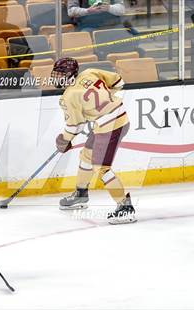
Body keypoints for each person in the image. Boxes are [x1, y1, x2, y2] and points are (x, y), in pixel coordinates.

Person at [51, 57, 136, 225]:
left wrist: (63, 141)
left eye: (61, 74)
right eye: (56, 74)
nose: (57, 78)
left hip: (109, 127)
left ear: (70, 74)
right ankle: (81, 194)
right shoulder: (90, 72)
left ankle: (125, 208)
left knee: (102, 168)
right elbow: (119, 81)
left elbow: (75, 126)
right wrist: (105, 103)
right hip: (115, 119)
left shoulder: (68, 96)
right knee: (86, 156)